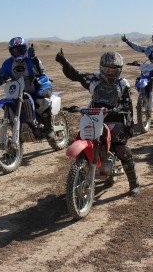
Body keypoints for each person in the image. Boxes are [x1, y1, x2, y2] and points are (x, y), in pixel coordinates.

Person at [55, 49, 140, 196]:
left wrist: (130, 125)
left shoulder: (123, 84)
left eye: (114, 71)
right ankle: (82, 174)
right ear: (101, 68)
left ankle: (134, 184)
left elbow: (128, 105)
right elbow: (75, 75)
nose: (110, 73)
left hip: (115, 118)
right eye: (107, 70)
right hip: (93, 116)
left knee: (121, 150)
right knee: (83, 139)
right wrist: (64, 62)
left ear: (119, 71)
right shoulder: (93, 79)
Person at [0, 37, 55, 139]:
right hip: (20, 88)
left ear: (26, 49)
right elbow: (0, 74)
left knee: (40, 98)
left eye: (21, 49)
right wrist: (0, 78)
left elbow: (40, 71)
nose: (18, 52)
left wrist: (34, 59)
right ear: (11, 51)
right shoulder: (8, 63)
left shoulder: (31, 59)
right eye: (15, 50)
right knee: (11, 102)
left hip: (39, 83)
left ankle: (49, 128)